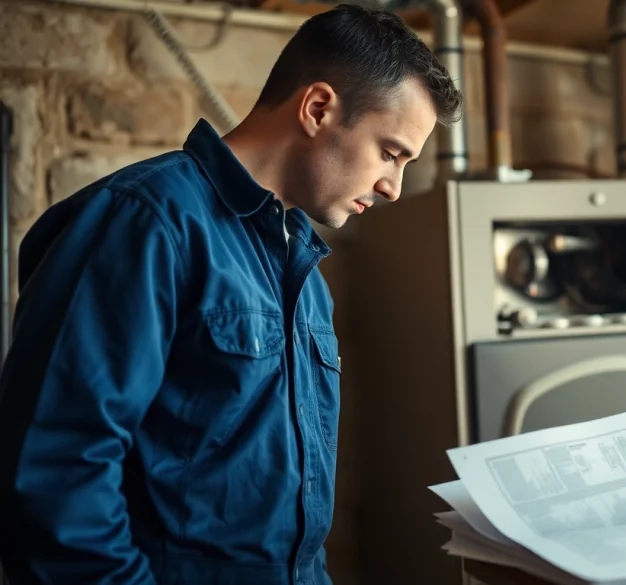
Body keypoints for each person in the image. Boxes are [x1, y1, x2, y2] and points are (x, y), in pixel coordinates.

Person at [0, 4, 462, 585]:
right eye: (390, 153)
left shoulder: (309, 279)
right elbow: (56, 476)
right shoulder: (145, 223)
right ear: (318, 108)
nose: (394, 188)